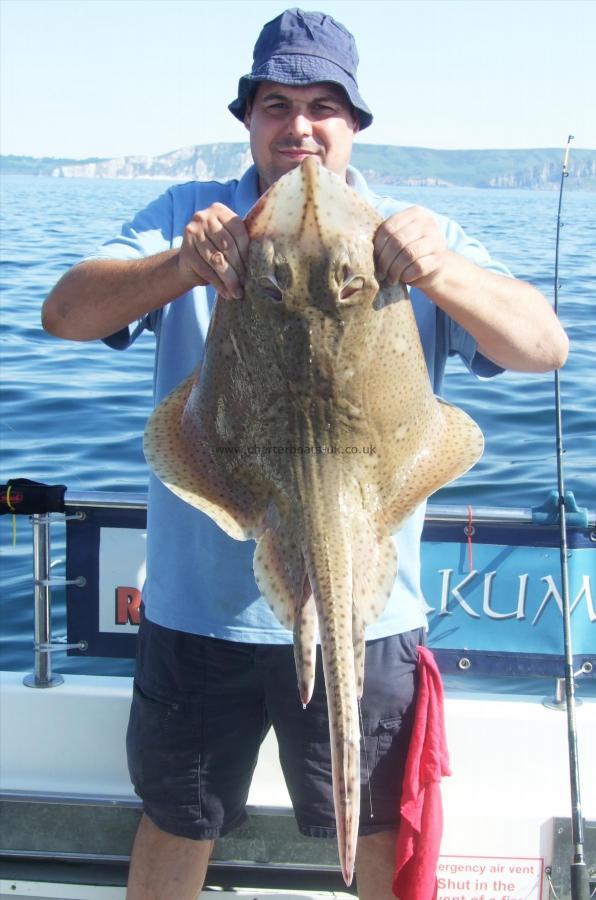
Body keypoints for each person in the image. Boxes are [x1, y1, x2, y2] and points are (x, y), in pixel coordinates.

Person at [42, 9, 568, 900]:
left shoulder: (412, 231)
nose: (301, 127)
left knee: (375, 826)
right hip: (197, 616)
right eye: (277, 104)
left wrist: (436, 271)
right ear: (248, 119)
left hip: (370, 608)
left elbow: (543, 346)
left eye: (324, 106)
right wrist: (184, 264)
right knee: (179, 815)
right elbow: (65, 314)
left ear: (354, 124)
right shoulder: (189, 217)